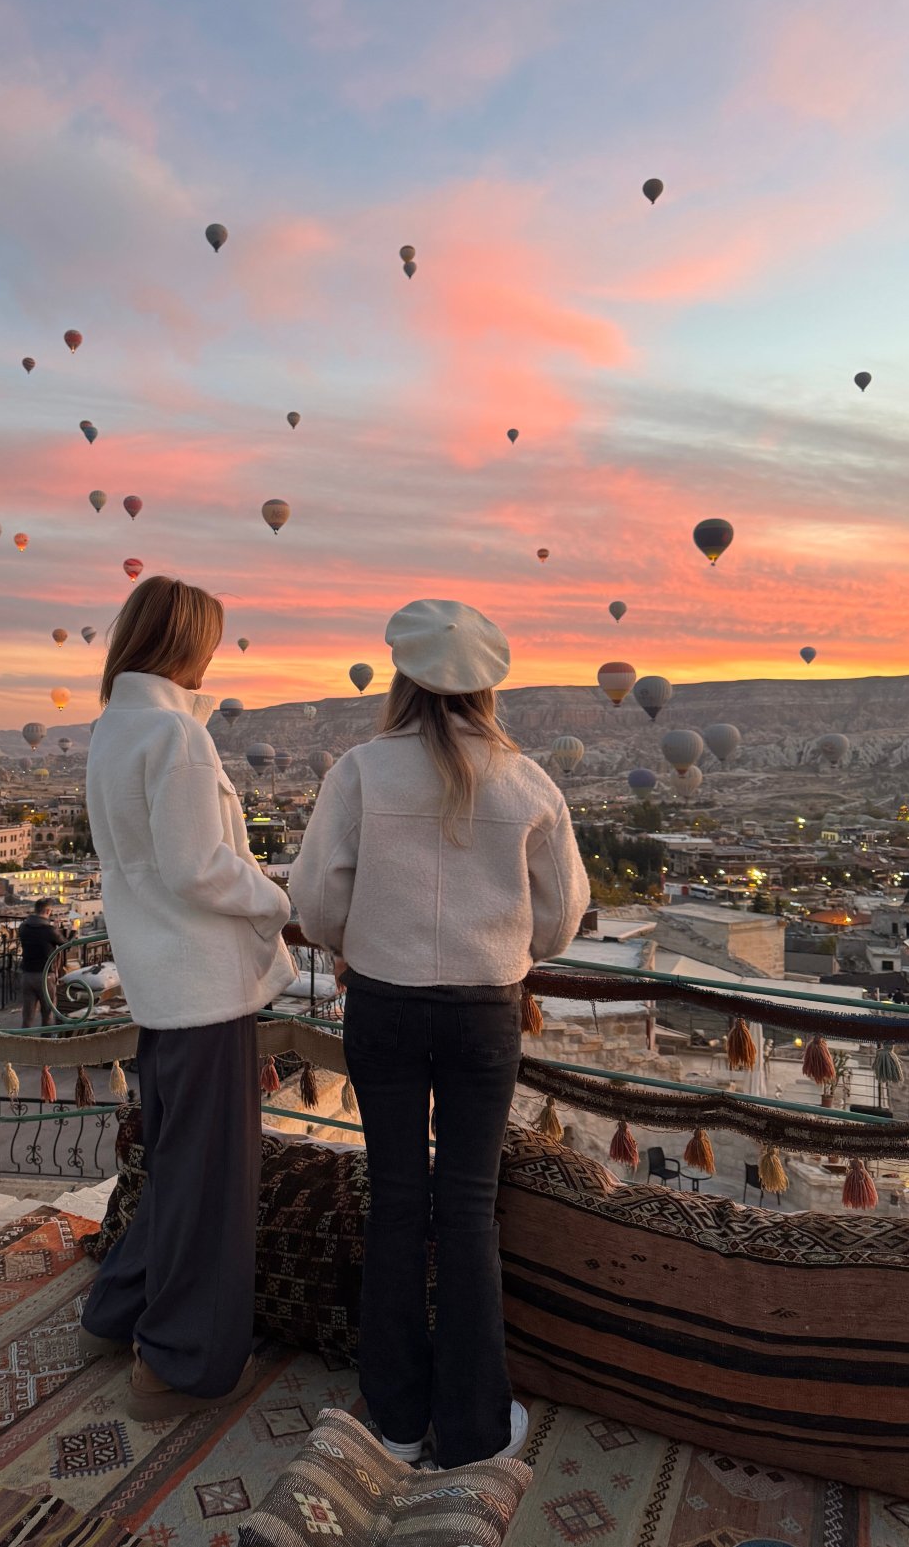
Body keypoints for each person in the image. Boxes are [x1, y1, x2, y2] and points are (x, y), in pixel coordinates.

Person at [290, 599, 590, 1470]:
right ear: (489, 687)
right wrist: (504, 945)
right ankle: (472, 1429)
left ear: (400, 675)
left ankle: (390, 1416)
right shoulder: (528, 779)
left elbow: (314, 902)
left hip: (381, 1001)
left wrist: (351, 942)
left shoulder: (359, 771)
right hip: (483, 1010)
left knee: (393, 1197)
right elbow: (563, 919)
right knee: (465, 1208)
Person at [79, 576, 295, 1423]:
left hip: (156, 982)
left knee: (171, 1165)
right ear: (186, 643)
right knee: (212, 1180)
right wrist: (279, 899)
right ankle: (176, 1361)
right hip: (203, 984)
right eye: (210, 639)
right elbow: (198, 866)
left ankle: (116, 1313)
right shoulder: (177, 735)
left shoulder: (113, 728)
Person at [17, 900, 67, 1028]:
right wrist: (68, 931)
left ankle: (24, 1042)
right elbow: (65, 944)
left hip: (27, 974)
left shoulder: (23, 927)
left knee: (27, 1015)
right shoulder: (49, 930)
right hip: (45, 976)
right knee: (47, 1014)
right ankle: (45, 1044)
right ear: (48, 911)